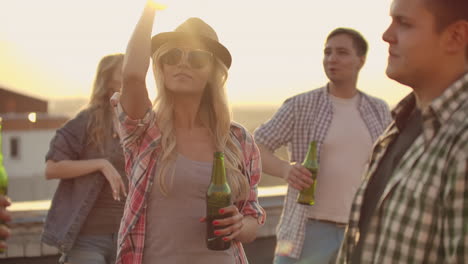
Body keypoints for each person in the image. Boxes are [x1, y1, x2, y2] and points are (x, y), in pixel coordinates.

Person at [111, 2, 265, 264]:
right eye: (172, 56)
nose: (182, 63)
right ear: (161, 65)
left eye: (197, 58)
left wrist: (240, 225)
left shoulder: (237, 139)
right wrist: (150, 10)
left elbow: (253, 217)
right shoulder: (146, 130)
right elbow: (133, 75)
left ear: (213, 74)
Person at [336, 0, 468, 263]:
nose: (386, 36)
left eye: (404, 23)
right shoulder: (398, 125)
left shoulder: (462, 141)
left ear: (455, 37)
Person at [254, 28, 391, 264]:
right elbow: (256, 146)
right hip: (304, 231)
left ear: (361, 60)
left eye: (341, 52)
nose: (332, 59)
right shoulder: (301, 105)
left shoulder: (379, 110)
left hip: (360, 231)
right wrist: (286, 170)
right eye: (327, 52)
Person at [41, 53, 127, 264]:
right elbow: (52, 169)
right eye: (125, 71)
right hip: (88, 240)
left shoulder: (141, 120)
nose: (134, 75)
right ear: (108, 81)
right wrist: (101, 164)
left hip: (129, 236)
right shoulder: (86, 121)